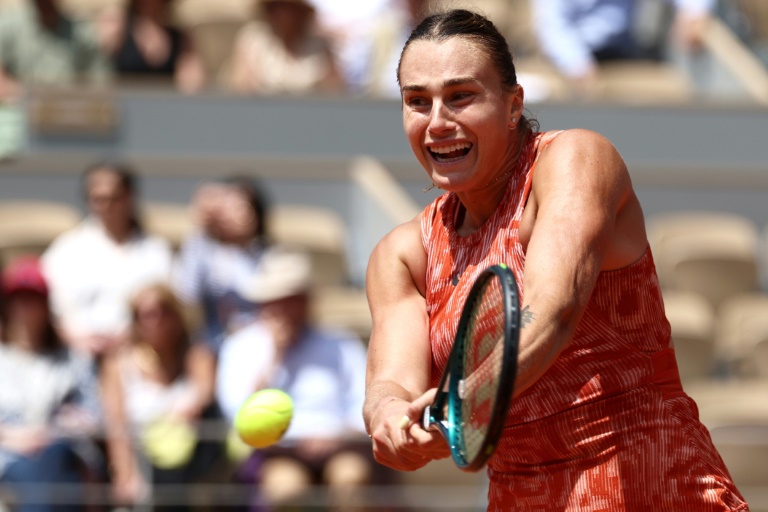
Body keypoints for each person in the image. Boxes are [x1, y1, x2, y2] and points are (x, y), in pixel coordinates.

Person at [363, 8, 748, 511]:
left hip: (657, 489)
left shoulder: (575, 159)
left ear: (512, 104)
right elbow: (391, 381)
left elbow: (552, 310)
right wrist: (390, 417)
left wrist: (460, 407)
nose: (437, 122)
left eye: (460, 97)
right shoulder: (401, 254)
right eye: (417, 102)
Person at [216, 249, 372, 511]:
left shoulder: (340, 343)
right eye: (277, 300)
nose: (285, 308)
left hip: (341, 448)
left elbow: (363, 401)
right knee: (287, 489)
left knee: (351, 478)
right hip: (276, 454)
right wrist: (275, 356)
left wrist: (337, 437)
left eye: (293, 299)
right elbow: (238, 412)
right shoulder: (240, 346)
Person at [99, 282, 221, 510]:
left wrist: (191, 405)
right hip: (143, 466)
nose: (154, 321)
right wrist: (125, 473)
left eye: (161, 312)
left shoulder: (196, 354)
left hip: (191, 468)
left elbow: (206, 391)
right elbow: (115, 422)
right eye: (144, 315)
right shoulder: (118, 363)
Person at [0, 257, 103, 512]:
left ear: (46, 306)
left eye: (32, 300)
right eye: (18, 300)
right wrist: (12, 437)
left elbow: (93, 414)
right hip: (8, 459)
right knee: (39, 476)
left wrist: (50, 432)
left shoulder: (72, 360)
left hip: (62, 452)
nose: (25, 309)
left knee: (54, 463)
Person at [41, 160, 173, 358]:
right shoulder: (66, 250)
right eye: (98, 199)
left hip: (138, 359)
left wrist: (128, 338)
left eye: (114, 198)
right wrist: (75, 339)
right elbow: (45, 308)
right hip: (74, 357)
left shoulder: (156, 253)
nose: (106, 207)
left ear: (130, 197)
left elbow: (169, 310)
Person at [173, 176, 271, 357]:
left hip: (258, 344)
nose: (231, 214)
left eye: (239, 206)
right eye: (226, 207)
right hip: (214, 345)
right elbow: (186, 293)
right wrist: (202, 229)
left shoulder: (267, 255)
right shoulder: (205, 251)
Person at [532, 0, 715, 95]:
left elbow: (693, 7)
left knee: (676, 89)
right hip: (565, 62)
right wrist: (577, 65)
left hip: (624, 55)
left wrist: (694, 12)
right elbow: (553, 26)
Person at [0, 0, 111, 101]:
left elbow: (100, 79)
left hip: (67, 108)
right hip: (24, 108)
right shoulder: (11, 26)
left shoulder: (79, 32)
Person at [227, 0, 345, 95]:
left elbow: (336, 88)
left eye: (288, 8)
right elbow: (242, 88)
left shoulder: (319, 44)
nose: (282, 14)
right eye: (277, 7)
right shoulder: (253, 39)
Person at [98, 0, 206, 93]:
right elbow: (98, 75)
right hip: (125, 111)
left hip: (162, 109)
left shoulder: (180, 38)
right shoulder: (119, 29)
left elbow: (192, 85)